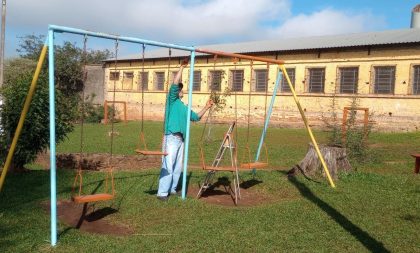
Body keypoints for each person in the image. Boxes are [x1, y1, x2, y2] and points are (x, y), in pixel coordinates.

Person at [157, 60, 213, 201]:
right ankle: (162, 193)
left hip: (181, 139)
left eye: (181, 89)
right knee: (168, 165)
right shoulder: (172, 101)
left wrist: (207, 107)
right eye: (180, 89)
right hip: (171, 137)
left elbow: (196, 117)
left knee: (177, 167)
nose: (181, 90)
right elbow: (174, 85)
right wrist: (182, 68)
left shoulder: (184, 107)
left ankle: (172, 189)